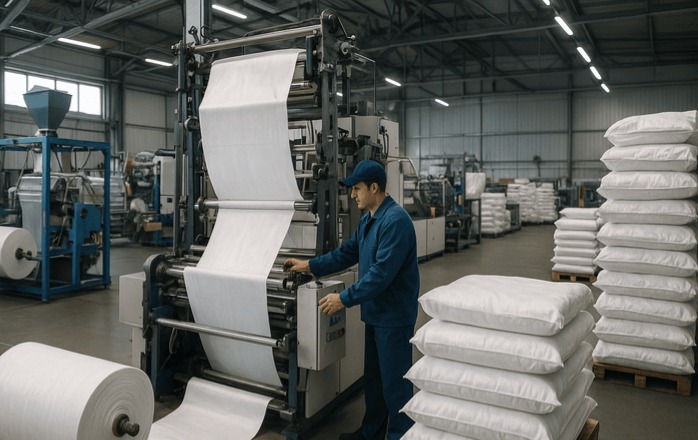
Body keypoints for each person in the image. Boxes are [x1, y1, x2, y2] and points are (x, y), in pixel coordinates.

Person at [284, 159, 419, 440]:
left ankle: (400, 435)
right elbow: (346, 253)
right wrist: (309, 266)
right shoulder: (369, 220)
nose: (352, 195)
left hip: (393, 318)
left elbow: (381, 274)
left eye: (357, 189)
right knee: (374, 381)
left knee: (395, 385)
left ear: (374, 188)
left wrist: (344, 298)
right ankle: (371, 434)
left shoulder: (395, 222)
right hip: (375, 313)